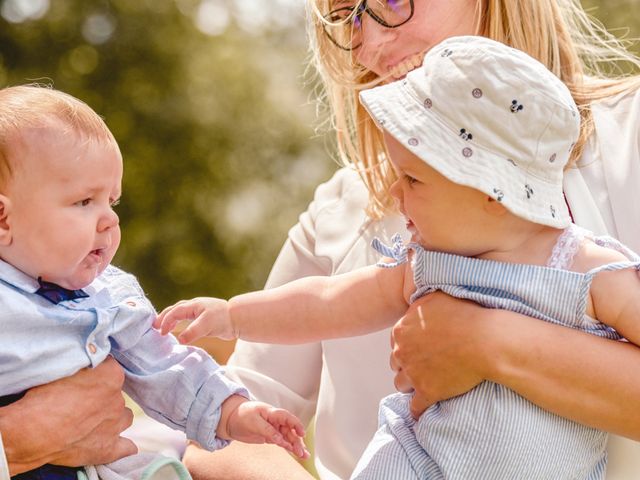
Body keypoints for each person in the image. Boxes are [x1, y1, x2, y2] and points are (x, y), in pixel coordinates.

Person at [179, 1, 640, 480]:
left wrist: (483, 342)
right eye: (348, 17)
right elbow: (224, 430)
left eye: (395, 0)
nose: (371, 47)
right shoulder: (344, 207)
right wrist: (230, 316)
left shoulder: (629, 137)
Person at [0, 85, 308, 480]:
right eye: (83, 202)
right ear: (5, 219)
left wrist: (232, 412)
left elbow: (165, 365)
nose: (109, 221)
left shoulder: (108, 296)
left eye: (111, 202)